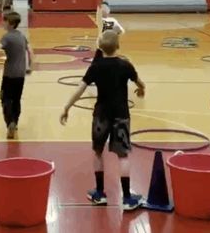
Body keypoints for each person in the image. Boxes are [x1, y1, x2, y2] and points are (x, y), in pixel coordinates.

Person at [60, 30, 146, 211]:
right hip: (121, 115)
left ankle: (99, 194)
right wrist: (141, 90)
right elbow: (140, 83)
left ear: (100, 46)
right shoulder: (125, 65)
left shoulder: (96, 67)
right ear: (118, 46)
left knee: (98, 152)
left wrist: (66, 107)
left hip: (101, 116)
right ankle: (128, 198)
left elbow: (80, 89)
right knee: (123, 156)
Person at [0, 11, 34, 139]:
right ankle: (15, 121)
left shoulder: (7, 37)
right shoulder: (22, 36)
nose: (2, 23)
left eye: (4, 21)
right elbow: (30, 51)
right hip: (20, 74)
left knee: (5, 99)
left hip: (9, 74)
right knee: (16, 99)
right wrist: (29, 66)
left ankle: (9, 122)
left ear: (11, 23)